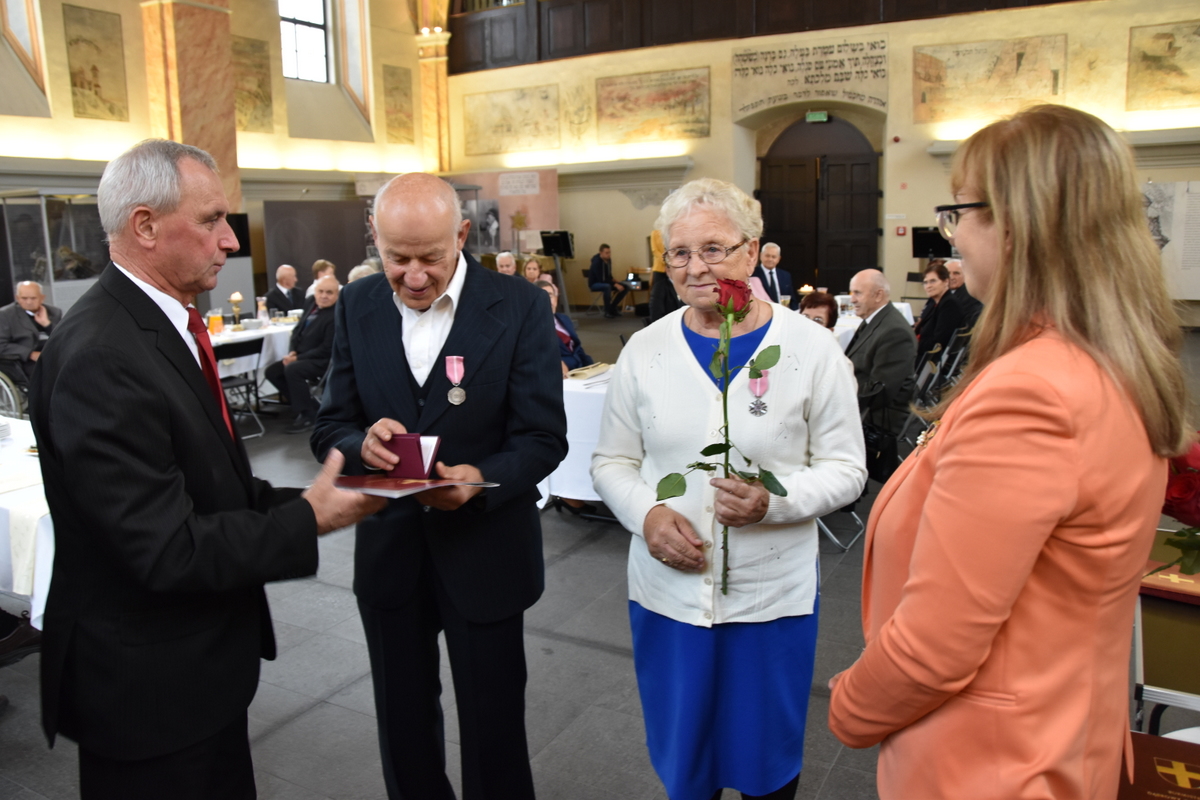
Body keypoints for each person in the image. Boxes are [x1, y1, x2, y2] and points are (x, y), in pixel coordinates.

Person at [827, 104, 1190, 800]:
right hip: (1059, 732)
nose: (952, 233)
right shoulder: (1103, 359)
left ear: (1018, 222)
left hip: (990, 763)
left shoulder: (1035, 393)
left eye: (960, 210)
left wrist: (850, 708)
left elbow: (935, 648)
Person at [28, 139, 383, 799]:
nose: (229, 242)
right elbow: (164, 548)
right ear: (145, 226)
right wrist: (310, 518)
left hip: (191, 674)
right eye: (212, 220)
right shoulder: (104, 355)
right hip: (146, 693)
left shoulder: (159, 328)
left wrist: (323, 497)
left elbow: (215, 486)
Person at [591, 178, 866, 800]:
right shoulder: (644, 350)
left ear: (752, 250)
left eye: (713, 249)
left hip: (771, 599)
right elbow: (611, 459)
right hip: (669, 593)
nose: (695, 267)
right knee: (686, 766)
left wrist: (776, 503)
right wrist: (647, 517)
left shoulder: (811, 350)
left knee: (767, 766)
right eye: (679, 252)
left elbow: (848, 469)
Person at [311, 172, 568, 800]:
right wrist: (359, 444)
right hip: (391, 552)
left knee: (494, 725)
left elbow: (544, 438)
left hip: (485, 551)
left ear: (462, 235)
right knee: (403, 725)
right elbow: (329, 425)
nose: (415, 275)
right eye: (397, 258)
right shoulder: (358, 303)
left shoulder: (520, 306)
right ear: (374, 238)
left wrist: (482, 479)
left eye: (431, 256)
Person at [845, 269, 916, 436]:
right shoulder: (876, 320)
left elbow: (878, 393)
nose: (852, 299)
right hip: (863, 407)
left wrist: (835, 397)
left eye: (858, 293)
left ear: (878, 295)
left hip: (875, 419)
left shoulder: (895, 332)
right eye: (851, 293)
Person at [265, 275, 339, 433]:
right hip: (301, 355)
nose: (324, 296)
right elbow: (297, 330)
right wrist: (292, 351)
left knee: (293, 369)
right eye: (320, 291)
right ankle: (311, 407)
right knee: (272, 372)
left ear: (337, 295)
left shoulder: (335, 314)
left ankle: (307, 416)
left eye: (329, 292)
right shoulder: (311, 302)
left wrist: (297, 358)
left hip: (324, 360)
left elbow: (326, 348)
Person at [0, 281, 63, 389]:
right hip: (21, 360)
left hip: (50, 355)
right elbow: (1, 344)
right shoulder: (5, 315)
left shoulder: (54, 312)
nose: (29, 302)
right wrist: (30, 354)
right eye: (24, 298)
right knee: (46, 374)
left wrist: (46, 324)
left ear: (42, 298)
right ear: (17, 298)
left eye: (33, 298)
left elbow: (63, 338)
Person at [536, 279, 593, 375]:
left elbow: (577, 348)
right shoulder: (532, 328)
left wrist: (592, 367)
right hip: (558, 375)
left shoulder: (564, 319)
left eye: (550, 296)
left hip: (580, 371)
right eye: (542, 297)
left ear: (556, 298)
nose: (548, 301)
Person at [912, 261, 964, 366]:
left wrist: (911, 346)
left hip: (931, 360)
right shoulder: (935, 302)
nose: (928, 286)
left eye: (933, 281)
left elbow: (939, 341)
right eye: (925, 282)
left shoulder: (949, 304)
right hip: (924, 354)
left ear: (945, 282)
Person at [588, 243, 629, 318]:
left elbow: (608, 275)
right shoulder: (596, 262)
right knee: (607, 287)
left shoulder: (608, 260)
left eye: (609, 252)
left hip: (606, 282)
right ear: (601, 253)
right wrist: (615, 284)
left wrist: (616, 281)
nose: (609, 254)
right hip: (595, 283)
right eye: (606, 253)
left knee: (625, 286)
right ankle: (607, 311)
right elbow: (602, 279)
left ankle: (612, 308)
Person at [750, 243, 795, 307]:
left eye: (773, 257)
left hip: (783, 312)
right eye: (767, 256)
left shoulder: (785, 276)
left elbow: (792, 300)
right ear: (760, 256)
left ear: (779, 259)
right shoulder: (752, 274)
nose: (770, 259)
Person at [945, 258, 983, 327]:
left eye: (956, 273)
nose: (951, 277)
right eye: (948, 273)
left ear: (965, 275)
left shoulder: (970, 296)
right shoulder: (943, 294)